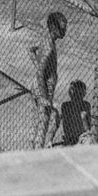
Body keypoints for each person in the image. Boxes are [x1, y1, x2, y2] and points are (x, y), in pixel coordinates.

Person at [29, 11, 67, 149]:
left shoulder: (46, 39)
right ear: (53, 28)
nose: (65, 31)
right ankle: (38, 153)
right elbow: (40, 73)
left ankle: (34, 145)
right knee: (45, 122)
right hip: (43, 88)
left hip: (37, 86)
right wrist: (45, 97)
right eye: (62, 28)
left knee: (39, 119)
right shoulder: (50, 48)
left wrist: (38, 64)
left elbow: (30, 50)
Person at [60, 79, 93, 146]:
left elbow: (88, 122)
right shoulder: (65, 105)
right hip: (70, 135)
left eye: (79, 93)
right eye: (75, 93)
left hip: (83, 135)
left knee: (83, 114)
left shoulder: (86, 105)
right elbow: (65, 123)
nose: (77, 96)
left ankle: (83, 139)